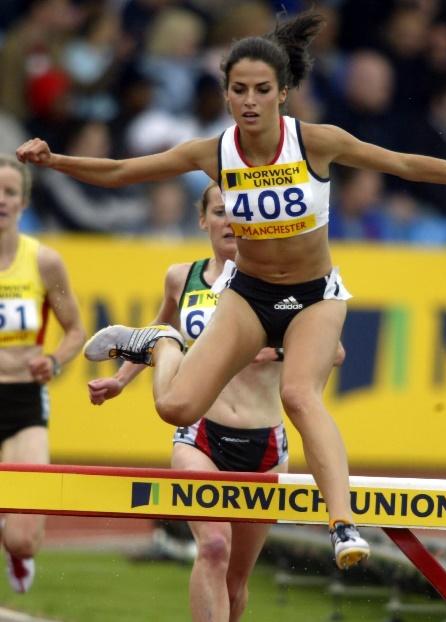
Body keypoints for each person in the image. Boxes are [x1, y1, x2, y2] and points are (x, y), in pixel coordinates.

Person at [16, 10, 446, 570]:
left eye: (262, 90)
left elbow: (408, 164)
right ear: (225, 95)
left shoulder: (315, 142)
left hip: (315, 296)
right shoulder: (214, 153)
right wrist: (56, 161)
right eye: (238, 90)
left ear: (284, 93)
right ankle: (161, 345)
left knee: (299, 394)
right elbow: (124, 171)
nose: (250, 101)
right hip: (248, 294)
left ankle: (343, 523)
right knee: (176, 406)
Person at [87, 182, 289, 621]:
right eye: (219, 212)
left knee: (236, 582)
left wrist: (271, 349)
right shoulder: (183, 278)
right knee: (213, 547)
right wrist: (121, 380)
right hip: (200, 434)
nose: (230, 221)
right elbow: (157, 332)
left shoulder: (282, 281)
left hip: (265, 444)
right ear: (203, 220)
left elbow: (333, 351)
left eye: (240, 213)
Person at [0, 154, 85, 592]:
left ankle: (17, 551)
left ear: (23, 201)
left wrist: (52, 361)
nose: (1, 200)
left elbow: (76, 330)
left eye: (10, 192)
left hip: (23, 400)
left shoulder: (43, 262)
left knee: (23, 539)